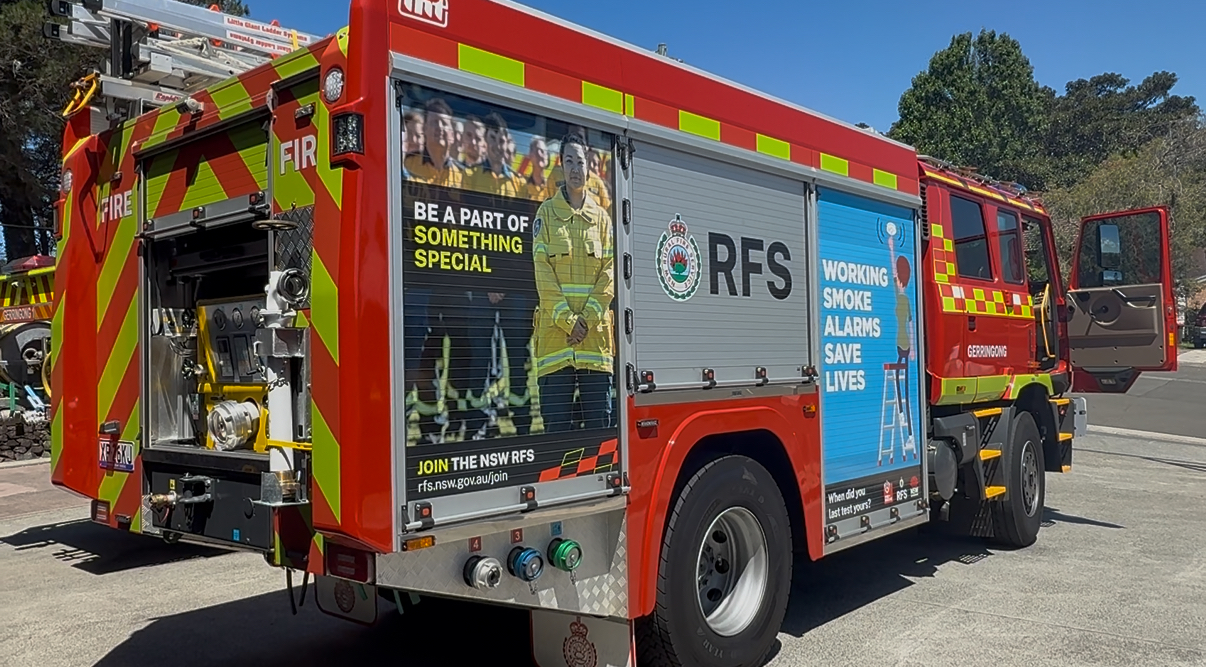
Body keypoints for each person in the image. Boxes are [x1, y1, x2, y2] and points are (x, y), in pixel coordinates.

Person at [531, 133, 615, 432]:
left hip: (595, 346)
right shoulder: (546, 214)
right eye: (569, 161)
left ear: (589, 166)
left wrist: (587, 320)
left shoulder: (603, 220)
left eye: (580, 161)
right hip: (556, 345)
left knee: (599, 437)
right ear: (560, 165)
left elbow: (610, 274)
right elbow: (543, 275)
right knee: (557, 439)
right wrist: (569, 322)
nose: (575, 168)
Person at [466, 112, 533, 436]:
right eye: (489, 139)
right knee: (480, 357)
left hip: (513, 289)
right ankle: (482, 423)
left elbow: (523, 243)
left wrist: (503, 285)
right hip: (480, 287)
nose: (495, 144)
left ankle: (521, 424)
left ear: (507, 144)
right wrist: (487, 283)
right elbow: (467, 236)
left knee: (517, 358)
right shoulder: (470, 180)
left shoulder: (520, 185)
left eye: (500, 139)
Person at [888, 234, 916, 451]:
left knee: (903, 384)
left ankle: (907, 430)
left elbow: (910, 325)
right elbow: (892, 268)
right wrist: (891, 246)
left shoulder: (903, 299)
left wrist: (914, 349)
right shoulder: (901, 298)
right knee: (899, 380)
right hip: (902, 345)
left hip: (903, 346)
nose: (896, 277)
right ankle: (902, 419)